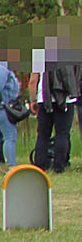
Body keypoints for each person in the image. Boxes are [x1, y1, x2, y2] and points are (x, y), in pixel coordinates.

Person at [28, 41, 79, 174]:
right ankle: (59, 166)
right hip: (66, 99)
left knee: (43, 134)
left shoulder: (39, 54)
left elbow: (33, 80)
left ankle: (40, 165)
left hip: (44, 98)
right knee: (62, 133)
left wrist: (33, 99)